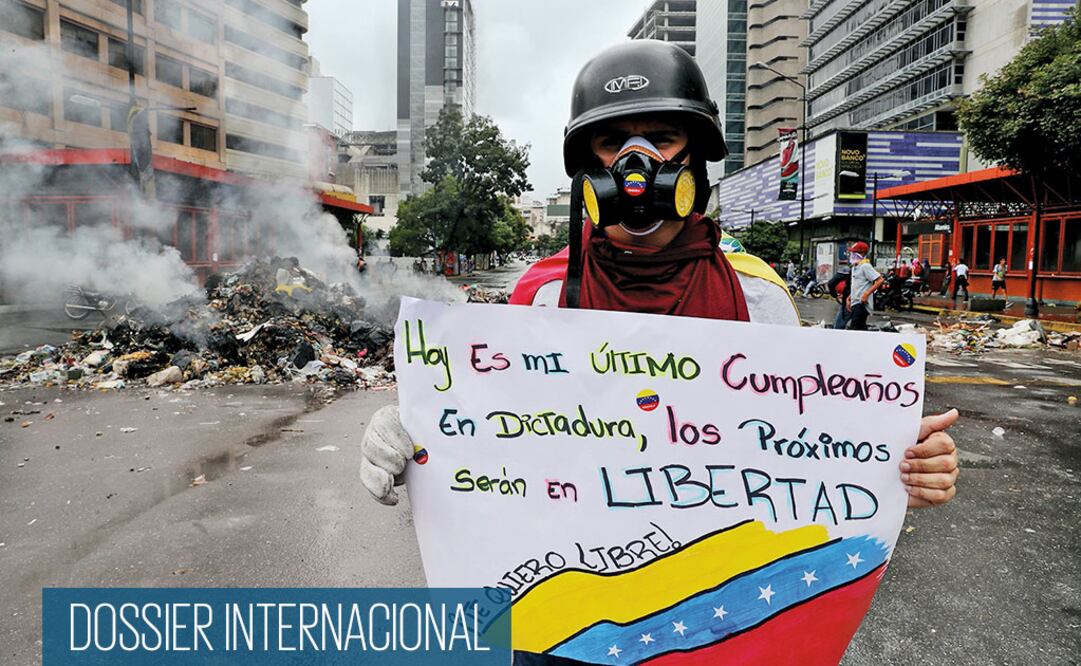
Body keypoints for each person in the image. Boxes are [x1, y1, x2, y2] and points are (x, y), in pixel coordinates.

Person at [359, 41, 960, 651]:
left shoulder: (758, 300)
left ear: (697, 155)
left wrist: (898, 460)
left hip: (716, 628)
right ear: (585, 165)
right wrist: (414, 433)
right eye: (611, 140)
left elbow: (811, 452)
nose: (636, 162)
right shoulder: (540, 299)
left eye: (663, 137)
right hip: (569, 626)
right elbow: (493, 445)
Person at [847, 241, 884, 330]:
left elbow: (880, 280)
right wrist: (849, 297)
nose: (852, 254)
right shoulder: (854, 267)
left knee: (855, 329)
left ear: (862, 253)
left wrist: (866, 294)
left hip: (862, 304)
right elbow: (858, 285)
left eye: (854, 252)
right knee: (860, 329)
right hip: (855, 303)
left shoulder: (865, 266)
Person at [827, 263, 852, 330]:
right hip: (858, 301)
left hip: (849, 301)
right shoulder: (865, 267)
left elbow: (831, 283)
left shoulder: (848, 269)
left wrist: (834, 295)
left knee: (839, 325)